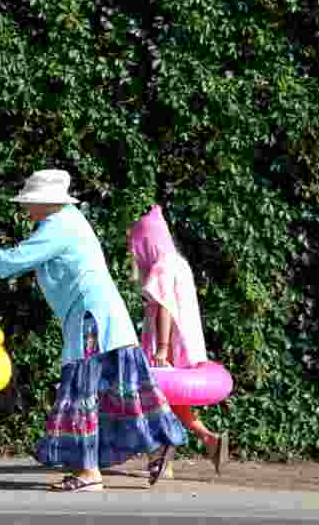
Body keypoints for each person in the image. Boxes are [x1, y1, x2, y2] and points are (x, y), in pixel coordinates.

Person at [0, 169, 187, 492]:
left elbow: (21, 257)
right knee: (123, 383)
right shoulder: (71, 220)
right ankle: (158, 443)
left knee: (82, 388)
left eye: (30, 203)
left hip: (90, 318)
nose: (26, 209)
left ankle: (89, 472)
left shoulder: (59, 225)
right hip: (107, 315)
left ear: (48, 203)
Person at [127, 205, 229, 480]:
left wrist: (161, 349)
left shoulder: (161, 267)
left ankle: (163, 460)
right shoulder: (179, 263)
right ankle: (210, 439)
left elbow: (164, 307)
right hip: (185, 345)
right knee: (175, 403)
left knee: (155, 402)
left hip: (166, 346)